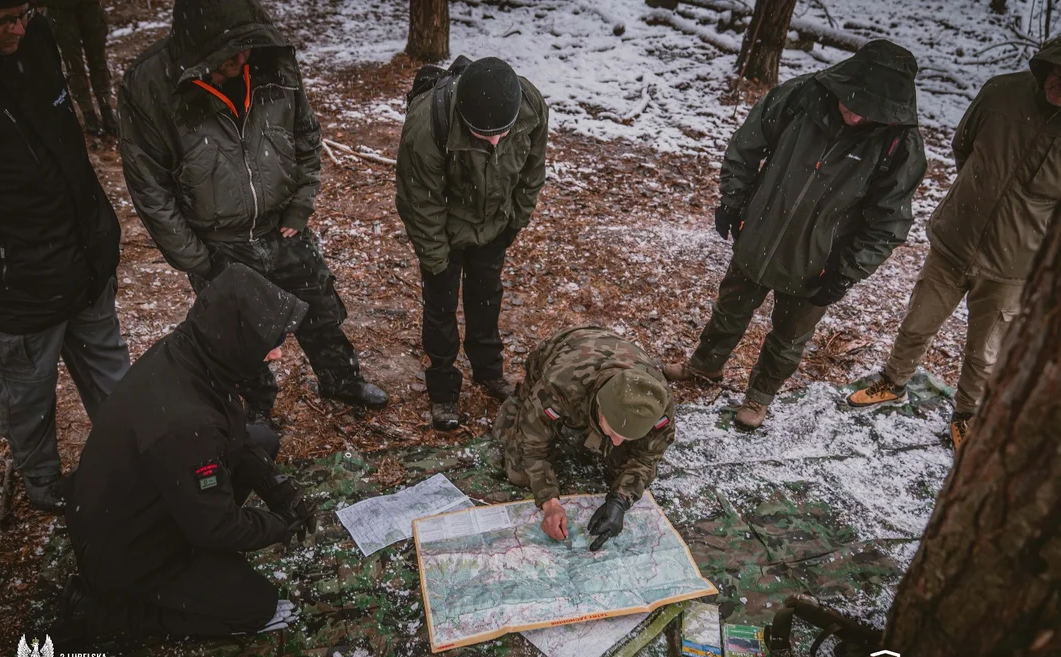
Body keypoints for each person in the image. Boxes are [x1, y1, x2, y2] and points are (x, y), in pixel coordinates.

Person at [118, 0, 386, 420]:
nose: (243, 59)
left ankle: (341, 380)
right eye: (231, 51)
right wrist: (198, 259)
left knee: (321, 309)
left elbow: (306, 136)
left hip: (283, 226)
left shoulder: (269, 60)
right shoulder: (150, 84)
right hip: (219, 243)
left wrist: (299, 207)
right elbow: (150, 189)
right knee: (240, 339)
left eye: (248, 47)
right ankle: (256, 414)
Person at [664, 40, 927, 430]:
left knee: (789, 337)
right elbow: (748, 143)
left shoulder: (898, 144)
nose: (854, 117)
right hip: (761, 232)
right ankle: (705, 367)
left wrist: (846, 272)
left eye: (865, 112)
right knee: (730, 308)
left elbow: (888, 223)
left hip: (818, 260)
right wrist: (734, 201)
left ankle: (759, 397)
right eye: (850, 104)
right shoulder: (803, 95)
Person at [62, 266, 317, 640]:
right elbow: (216, 527)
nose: (277, 355)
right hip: (130, 553)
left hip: (144, 503)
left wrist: (277, 488)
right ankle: (102, 614)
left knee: (262, 441)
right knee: (255, 605)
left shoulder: (192, 352)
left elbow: (235, 432)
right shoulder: (186, 426)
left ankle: (196, 562)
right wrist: (279, 525)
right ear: (236, 340)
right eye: (268, 343)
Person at [847, 37, 1061, 450]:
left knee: (985, 351)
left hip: (1014, 265)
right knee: (918, 321)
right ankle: (893, 382)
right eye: (1058, 74)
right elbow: (963, 145)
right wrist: (977, 196)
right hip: (954, 239)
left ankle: (966, 415)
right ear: (1047, 65)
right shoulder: (1002, 91)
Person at [0, 1, 129, 511]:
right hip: (14, 289)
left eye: (22, 12)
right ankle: (43, 486)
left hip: (84, 258)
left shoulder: (37, 38)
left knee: (116, 382)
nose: (17, 28)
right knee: (28, 400)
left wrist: (97, 235)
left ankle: (136, 461)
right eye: (0, 21)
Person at [396, 56, 549, 431]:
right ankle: (444, 388)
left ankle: (488, 370)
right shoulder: (426, 125)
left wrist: (514, 223)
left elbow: (533, 171)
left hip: (493, 225)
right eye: (485, 134)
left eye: (502, 131)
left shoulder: (529, 105)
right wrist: (435, 259)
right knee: (441, 307)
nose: (496, 141)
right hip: (444, 231)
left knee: (486, 297)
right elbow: (420, 202)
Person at [492, 327, 675, 550]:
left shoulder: (657, 403)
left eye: (626, 437)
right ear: (600, 408)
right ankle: (520, 403)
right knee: (519, 471)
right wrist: (549, 502)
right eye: (614, 433)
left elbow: (646, 459)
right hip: (561, 355)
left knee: (621, 464)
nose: (617, 442)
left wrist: (620, 500)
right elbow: (532, 446)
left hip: (616, 367)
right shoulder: (560, 385)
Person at [45, 0, 116, 136]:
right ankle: (88, 112)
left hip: (90, 7)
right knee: (74, 65)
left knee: (98, 60)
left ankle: (105, 107)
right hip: (60, 11)